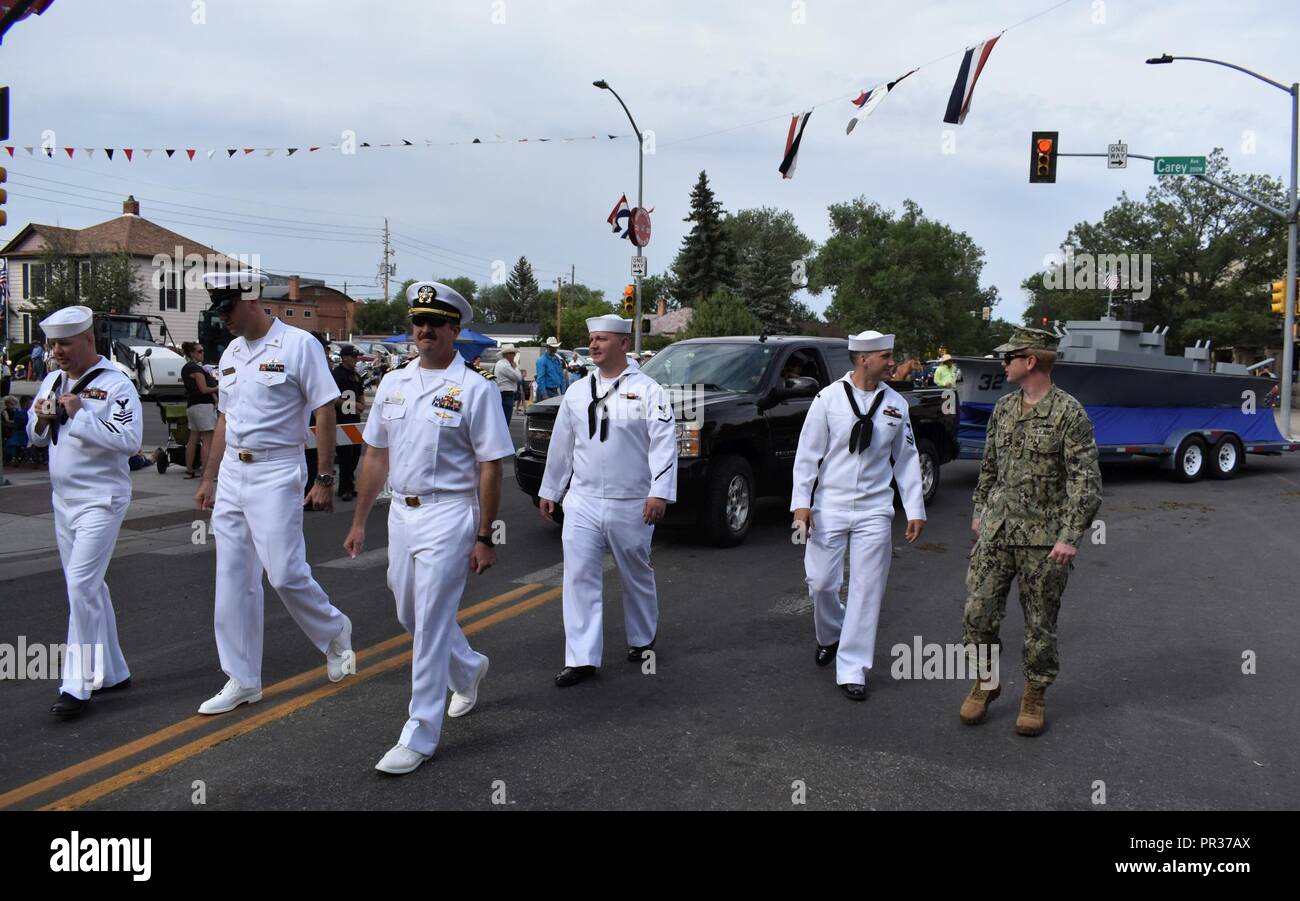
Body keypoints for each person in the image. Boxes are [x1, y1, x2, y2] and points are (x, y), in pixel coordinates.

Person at [344, 281, 515, 775]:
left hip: (450, 513)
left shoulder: (475, 389)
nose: (424, 331)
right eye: (418, 323)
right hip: (402, 512)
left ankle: (419, 732)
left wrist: (485, 535)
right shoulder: (394, 384)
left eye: (435, 324)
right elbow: (376, 456)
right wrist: (359, 521)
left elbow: (490, 466)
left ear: (455, 330)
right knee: (408, 612)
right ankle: (467, 666)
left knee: (432, 621)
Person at [193, 271, 353, 715]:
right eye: (218, 311)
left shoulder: (299, 345)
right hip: (233, 472)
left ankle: (335, 629)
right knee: (233, 580)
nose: (222, 318)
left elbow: (324, 410)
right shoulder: (231, 352)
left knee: (283, 572)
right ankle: (242, 679)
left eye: (227, 309)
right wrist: (209, 478)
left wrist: (323, 478)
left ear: (251, 301)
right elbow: (224, 418)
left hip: (277, 469)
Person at [960, 327, 1101, 736]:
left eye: (1009, 357)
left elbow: (1085, 482)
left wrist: (1069, 536)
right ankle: (986, 682)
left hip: (1044, 540)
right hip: (997, 531)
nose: (1003, 364)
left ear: (1031, 361)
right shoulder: (1003, 409)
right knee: (977, 613)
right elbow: (989, 467)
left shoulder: (1069, 414)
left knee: (1040, 623)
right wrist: (980, 511)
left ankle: (1035, 694)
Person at [539, 314, 677, 687]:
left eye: (602, 339)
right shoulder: (578, 391)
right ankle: (581, 658)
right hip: (582, 499)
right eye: (592, 339)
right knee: (579, 576)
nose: (594, 345)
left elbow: (664, 446)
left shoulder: (649, 391)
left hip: (631, 500)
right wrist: (551, 490)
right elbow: (562, 445)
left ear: (622, 343)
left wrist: (659, 492)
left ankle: (642, 638)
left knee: (636, 572)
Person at [790, 330, 926, 702]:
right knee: (820, 582)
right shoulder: (827, 400)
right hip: (828, 506)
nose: (892, 362)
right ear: (863, 359)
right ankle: (830, 634)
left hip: (874, 510)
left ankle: (852, 668)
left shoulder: (896, 404)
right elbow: (807, 455)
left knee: (867, 590)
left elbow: (907, 459)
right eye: (886, 356)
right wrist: (801, 503)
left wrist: (914, 509)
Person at [25, 306, 141, 717]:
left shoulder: (116, 384)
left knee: (80, 584)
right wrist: (41, 421)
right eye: (54, 344)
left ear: (88, 340)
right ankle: (112, 671)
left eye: (66, 343)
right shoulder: (53, 380)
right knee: (91, 586)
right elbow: (35, 437)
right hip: (63, 500)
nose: (58, 351)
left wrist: (81, 415)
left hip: (101, 499)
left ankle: (76, 685)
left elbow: (129, 440)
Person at [180, 342, 219, 479]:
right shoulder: (195, 369)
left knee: (193, 440)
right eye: (200, 351)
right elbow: (204, 389)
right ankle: (206, 473)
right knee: (207, 440)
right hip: (203, 407)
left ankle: (189, 470)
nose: (202, 353)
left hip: (192, 406)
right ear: (192, 353)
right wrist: (218, 388)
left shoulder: (186, 368)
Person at [332, 345, 365, 502]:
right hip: (341, 420)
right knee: (345, 456)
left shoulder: (356, 376)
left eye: (356, 357)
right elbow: (333, 398)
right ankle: (344, 489)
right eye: (353, 356)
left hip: (354, 420)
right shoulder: (336, 375)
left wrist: (361, 404)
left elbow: (361, 394)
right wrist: (353, 405)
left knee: (355, 455)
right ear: (344, 357)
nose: (355, 360)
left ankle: (350, 486)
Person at [493, 344, 523, 425]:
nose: (514, 355)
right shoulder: (505, 366)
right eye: (512, 353)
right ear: (507, 354)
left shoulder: (500, 363)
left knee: (501, 420)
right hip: (506, 394)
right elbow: (518, 377)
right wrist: (516, 367)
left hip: (503, 393)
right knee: (505, 420)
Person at [3, 395, 30, 464]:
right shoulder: (5, 412)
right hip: (9, 429)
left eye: (15, 404)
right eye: (12, 404)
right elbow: (8, 421)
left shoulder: (17, 411)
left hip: (16, 428)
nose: (13, 406)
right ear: (7, 404)